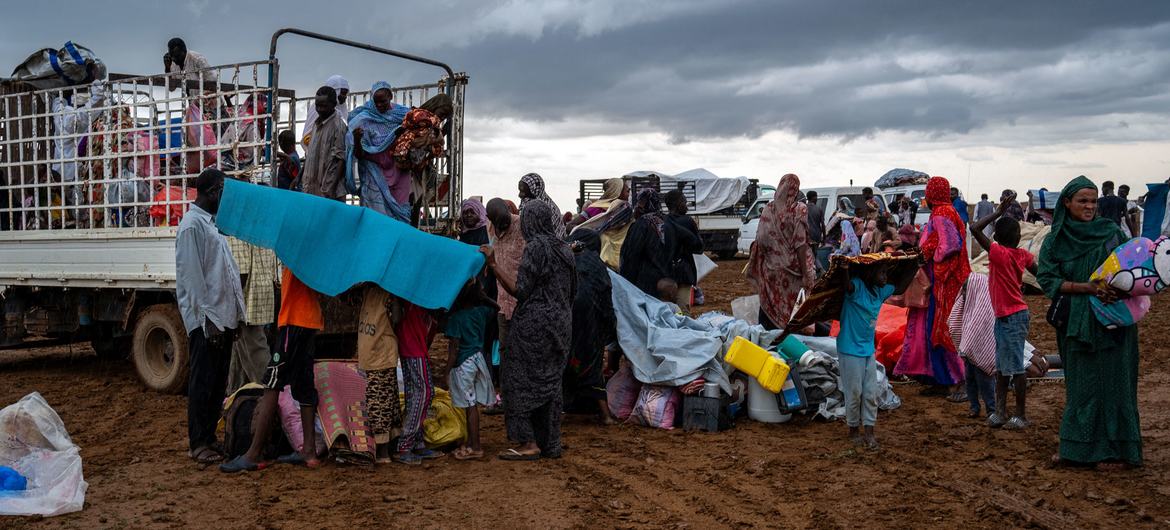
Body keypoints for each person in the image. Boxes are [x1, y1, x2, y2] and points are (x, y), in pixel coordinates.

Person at [1038, 176, 1140, 470]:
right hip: (1077, 322)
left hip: (1115, 319)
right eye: (1082, 200)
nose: (1089, 206)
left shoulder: (1110, 233)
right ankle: (1077, 450)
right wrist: (1088, 287)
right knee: (1082, 385)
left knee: (1115, 382)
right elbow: (1047, 280)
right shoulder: (1056, 240)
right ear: (1066, 203)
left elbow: (1132, 267)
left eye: (1093, 201)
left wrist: (1118, 288)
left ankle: (1117, 452)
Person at [480, 200, 575, 460]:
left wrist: (494, 264)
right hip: (561, 325)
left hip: (533, 327)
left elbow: (520, 290)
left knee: (517, 380)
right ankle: (551, 442)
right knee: (551, 383)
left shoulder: (536, 249)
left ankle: (528, 442)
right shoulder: (564, 249)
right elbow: (571, 291)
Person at [219, 265, 324, 473]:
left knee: (272, 383)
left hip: (293, 320)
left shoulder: (295, 246)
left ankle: (254, 453)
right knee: (303, 384)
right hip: (310, 318)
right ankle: (309, 451)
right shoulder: (314, 249)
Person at [175, 169, 244, 465]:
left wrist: (236, 316)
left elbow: (226, 274)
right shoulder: (192, 226)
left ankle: (208, 438)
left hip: (223, 318)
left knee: (217, 384)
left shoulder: (213, 225)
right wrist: (208, 322)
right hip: (208, 322)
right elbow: (192, 280)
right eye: (224, 191)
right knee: (202, 383)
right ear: (214, 191)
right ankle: (197, 442)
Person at [895, 177, 970, 398]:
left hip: (946, 281)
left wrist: (927, 257)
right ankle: (940, 379)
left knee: (942, 330)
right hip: (950, 279)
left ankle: (957, 381)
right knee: (936, 328)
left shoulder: (941, 214)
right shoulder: (948, 211)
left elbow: (950, 245)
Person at [970, 201, 1038, 430]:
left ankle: (1019, 415)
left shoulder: (998, 253)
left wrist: (997, 213)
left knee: (1015, 367)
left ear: (997, 237)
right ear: (1018, 237)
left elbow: (975, 229)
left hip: (1011, 317)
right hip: (1010, 315)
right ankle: (1001, 412)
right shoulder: (1022, 255)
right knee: (1003, 367)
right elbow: (1038, 271)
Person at [838, 263, 897, 450]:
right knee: (854, 392)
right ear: (870, 274)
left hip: (867, 349)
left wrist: (916, 265)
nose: (885, 277)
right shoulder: (857, 287)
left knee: (871, 392)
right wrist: (845, 269)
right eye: (882, 273)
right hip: (849, 348)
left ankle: (869, 432)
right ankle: (853, 428)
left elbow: (901, 286)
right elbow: (847, 286)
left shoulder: (879, 292)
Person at [746, 174, 817, 330]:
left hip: (770, 271)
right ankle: (793, 342)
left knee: (769, 305)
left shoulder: (767, 210)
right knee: (796, 309)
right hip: (794, 273)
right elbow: (800, 244)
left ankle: (767, 340)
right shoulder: (799, 209)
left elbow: (761, 240)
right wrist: (805, 274)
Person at [564, 229, 616, 424]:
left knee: (565, 362)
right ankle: (605, 415)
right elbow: (605, 294)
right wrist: (608, 326)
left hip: (565, 322)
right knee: (592, 366)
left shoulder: (564, 259)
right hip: (590, 325)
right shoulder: (596, 264)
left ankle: (562, 408)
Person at [444, 288, 498, 461]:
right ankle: (470, 443)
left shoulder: (456, 319)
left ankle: (475, 446)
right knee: (471, 404)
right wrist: (485, 297)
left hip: (463, 364)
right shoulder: (481, 312)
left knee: (470, 406)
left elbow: (454, 350)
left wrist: (446, 371)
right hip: (477, 359)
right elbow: (497, 308)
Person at [349, 82, 411, 221]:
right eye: (376, 102)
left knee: (400, 213)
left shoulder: (403, 115)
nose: (379, 105)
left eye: (383, 101)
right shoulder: (365, 118)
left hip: (399, 172)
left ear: (390, 96)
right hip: (374, 172)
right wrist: (357, 139)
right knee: (376, 217)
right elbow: (360, 155)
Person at [226, 234, 277, 393]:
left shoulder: (236, 229)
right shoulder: (259, 225)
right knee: (240, 350)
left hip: (246, 298)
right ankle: (233, 395)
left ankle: (271, 395)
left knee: (255, 349)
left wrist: (232, 307)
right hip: (261, 291)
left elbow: (240, 272)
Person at [356, 285, 402, 464]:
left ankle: (385, 451)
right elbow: (397, 319)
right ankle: (386, 450)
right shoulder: (385, 293)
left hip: (377, 353)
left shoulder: (367, 290)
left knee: (382, 403)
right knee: (385, 402)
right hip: (380, 353)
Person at [51, 81, 106, 226]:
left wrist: (61, 92)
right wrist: (97, 85)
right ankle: (78, 223)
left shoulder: (59, 114)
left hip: (58, 168)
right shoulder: (75, 118)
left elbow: (56, 102)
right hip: (72, 172)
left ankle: (69, 221)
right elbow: (93, 107)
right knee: (76, 204)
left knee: (63, 202)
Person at [394, 301, 441, 464]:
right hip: (412, 344)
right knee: (424, 392)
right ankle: (405, 444)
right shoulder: (412, 292)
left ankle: (416, 442)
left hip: (415, 344)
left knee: (416, 393)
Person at [620, 189, 676, 298]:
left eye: (640, 202)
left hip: (645, 282)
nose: (637, 206)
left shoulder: (641, 224)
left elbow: (631, 255)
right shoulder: (667, 221)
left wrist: (626, 281)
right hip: (668, 280)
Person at [301, 86, 348, 200]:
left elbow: (341, 159)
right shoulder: (316, 124)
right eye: (318, 105)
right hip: (312, 190)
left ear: (333, 104)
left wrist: (331, 188)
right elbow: (310, 154)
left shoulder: (338, 126)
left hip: (329, 192)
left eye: (324, 106)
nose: (320, 109)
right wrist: (298, 177)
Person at [664, 190, 703, 312]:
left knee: (668, 311)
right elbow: (699, 247)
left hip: (666, 273)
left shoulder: (663, 220)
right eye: (684, 202)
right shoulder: (687, 221)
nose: (686, 206)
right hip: (684, 272)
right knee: (683, 311)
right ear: (678, 203)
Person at [301, 75, 350, 147]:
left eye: (346, 93)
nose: (345, 96)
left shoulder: (340, 112)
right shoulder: (319, 108)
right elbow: (307, 136)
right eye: (342, 93)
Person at [518, 173, 566, 239]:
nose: (520, 195)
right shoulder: (525, 206)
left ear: (535, 191)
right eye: (520, 191)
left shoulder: (547, 208)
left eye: (523, 192)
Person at [806, 190, 827, 269]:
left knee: (810, 255)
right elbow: (822, 225)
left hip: (806, 236)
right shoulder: (819, 209)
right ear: (813, 197)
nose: (817, 198)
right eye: (816, 197)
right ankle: (819, 270)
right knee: (814, 254)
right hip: (816, 235)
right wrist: (824, 238)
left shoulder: (803, 208)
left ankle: (815, 270)